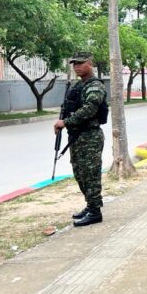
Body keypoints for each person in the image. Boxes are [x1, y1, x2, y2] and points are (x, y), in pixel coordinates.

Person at [54, 52, 109, 228]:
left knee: (91, 174)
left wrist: (65, 122)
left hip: (90, 136)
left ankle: (95, 211)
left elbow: (89, 109)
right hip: (77, 136)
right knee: (80, 173)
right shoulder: (79, 85)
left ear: (90, 64)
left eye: (80, 63)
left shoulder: (94, 86)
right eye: (74, 64)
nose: (76, 67)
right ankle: (90, 204)